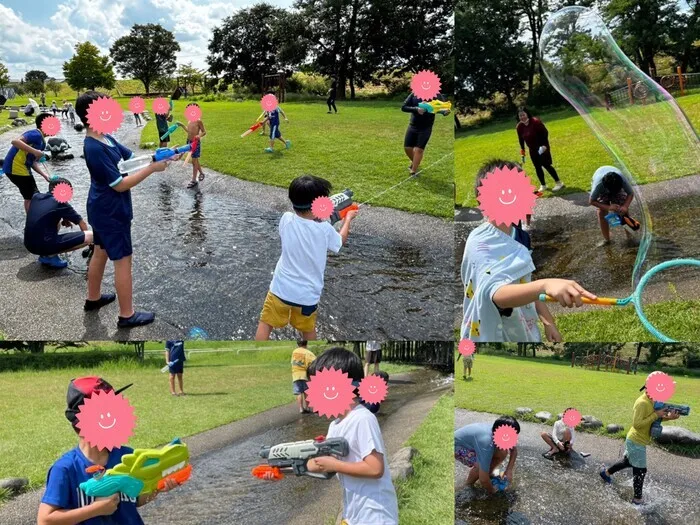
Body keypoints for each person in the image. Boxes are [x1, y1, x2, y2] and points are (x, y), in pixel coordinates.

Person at [76, 91, 178, 328]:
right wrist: (152, 169)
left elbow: (131, 159)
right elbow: (120, 185)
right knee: (123, 260)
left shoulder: (107, 138)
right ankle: (126, 315)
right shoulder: (93, 148)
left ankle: (93, 299)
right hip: (110, 210)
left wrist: (161, 155)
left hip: (103, 208)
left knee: (100, 251)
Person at [263, 348, 399, 525]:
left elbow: (375, 469)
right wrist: (281, 470)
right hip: (355, 515)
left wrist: (335, 464)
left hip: (375, 515)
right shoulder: (335, 426)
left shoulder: (362, 419)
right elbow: (320, 465)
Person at [461, 160, 592, 342]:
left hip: (522, 329)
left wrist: (548, 322)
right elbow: (495, 294)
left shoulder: (521, 237)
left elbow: (525, 283)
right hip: (490, 334)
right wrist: (545, 285)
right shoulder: (479, 242)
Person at [37, 376, 178, 525]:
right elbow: (45, 520)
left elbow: (134, 501)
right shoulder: (65, 469)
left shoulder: (127, 456)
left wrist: (156, 488)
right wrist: (96, 509)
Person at [255, 175, 358, 340]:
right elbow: (339, 242)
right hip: (307, 296)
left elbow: (305, 227)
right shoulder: (325, 229)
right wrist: (348, 220)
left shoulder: (286, 219)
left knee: (266, 322)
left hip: (280, 290)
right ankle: (313, 359)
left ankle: (256, 355)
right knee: (308, 329)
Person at [599, 376, 680, 504]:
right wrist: (656, 414)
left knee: (628, 462)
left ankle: (606, 473)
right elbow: (637, 424)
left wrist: (669, 418)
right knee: (641, 470)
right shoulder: (642, 403)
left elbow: (654, 418)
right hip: (636, 440)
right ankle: (637, 499)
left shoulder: (653, 401)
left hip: (637, 440)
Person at [24, 178, 93, 269]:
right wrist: (91, 245)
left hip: (29, 244)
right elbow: (82, 223)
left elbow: (45, 213)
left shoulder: (36, 197)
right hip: (42, 246)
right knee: (91, 235)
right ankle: (50, 255)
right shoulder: (60, 202)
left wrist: (64, 216)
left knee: (56, 223)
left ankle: (45, 254)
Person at [454, 416, 520, 494]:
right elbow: (483, 480)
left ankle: (487, 472)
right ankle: (468, 486)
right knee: (480, 466)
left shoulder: (502, 433)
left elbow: (514, 450)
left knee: (502, 452)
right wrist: (492, 491)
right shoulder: (487, 444)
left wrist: (508, 470)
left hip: (474, 443)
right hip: (456, 446)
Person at [2, 112, 51, 213]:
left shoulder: (42, 142)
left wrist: (45, 175)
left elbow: (32, 162)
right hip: (15, 168)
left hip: (22, 169)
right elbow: (15, 141)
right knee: (32, 196)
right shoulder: (35, 134)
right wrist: (34, 151)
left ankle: (31, 220)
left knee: (31, 196)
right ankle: (32, 222)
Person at [516, 107, 564, 193]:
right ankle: (543, 185)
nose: (522, 117)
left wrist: (544, 146)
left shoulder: (536, 122)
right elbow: (521, 140)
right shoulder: (519, 127)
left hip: (542, 147)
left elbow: (545, 133)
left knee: (546, 165)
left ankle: (559, 183)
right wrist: (522, 153)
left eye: (523, 115)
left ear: (527, 114)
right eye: (520, 116)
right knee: (537, 167)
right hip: (532, 149)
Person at [401, 92, 449, 176]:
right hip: (413, 126)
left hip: (426, 127)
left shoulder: (436, 95)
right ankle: (416, 162)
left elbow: (441, 108)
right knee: (407, 148)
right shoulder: (414, 95)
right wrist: (417, 109)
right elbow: (404, 107)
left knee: (419, 149)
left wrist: (444, 112)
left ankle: (413, 171)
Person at [588, 166, 637, 246]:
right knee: (601, 213)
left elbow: (630, 193)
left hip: (614, 185)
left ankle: (630, 239)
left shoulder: (622, 180)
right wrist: (608, 207)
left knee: (623, 212)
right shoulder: (599, 185)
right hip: (603, 189)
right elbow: (591, 201)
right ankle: (607, 240)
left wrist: (625, 206)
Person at [183, 103, 207, 189]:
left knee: (194, 161)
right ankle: (201, 173)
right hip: (189, 142)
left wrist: (199, 136)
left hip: (195, 143)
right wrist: (182, 126)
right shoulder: (189, 120)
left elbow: (204, 132)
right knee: (195, 160)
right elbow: (188, 131)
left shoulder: (198, 121)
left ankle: (194, 180)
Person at [291, 339, 316, 413]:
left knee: (298, 392)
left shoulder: (294, 351)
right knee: (306, 391)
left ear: (297, 344)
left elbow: (292, 362)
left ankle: (301, 409)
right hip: (304, 375)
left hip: (295, 374)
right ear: (306, 344)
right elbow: (314, 362)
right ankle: (307, 407)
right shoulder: (308, 353)